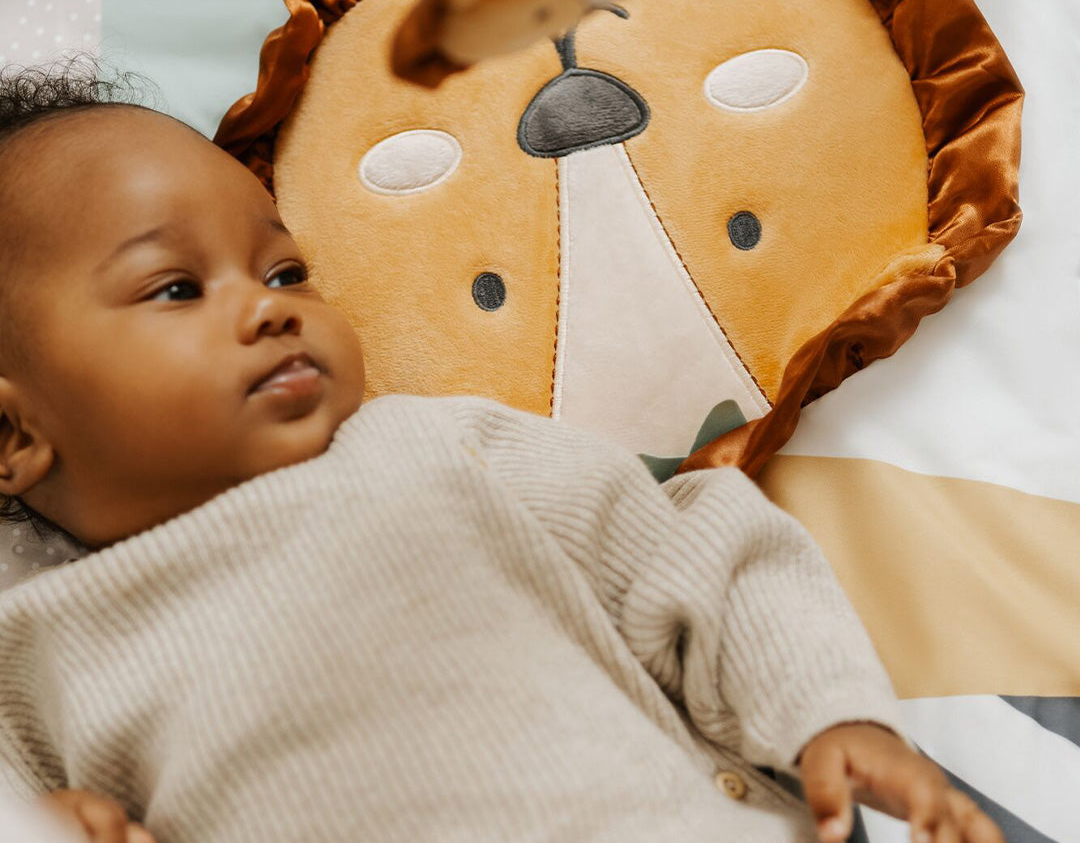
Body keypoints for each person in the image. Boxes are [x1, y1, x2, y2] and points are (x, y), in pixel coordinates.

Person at [0, 62, 1002, 843]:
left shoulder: (434, 448)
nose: (268, 307)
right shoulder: (32, 646)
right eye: (176, 288)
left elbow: (707, 561)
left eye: (288, 268)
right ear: (13, 435)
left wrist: (832, 717)